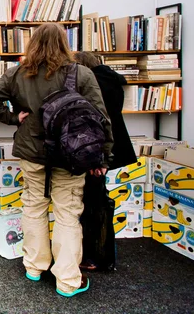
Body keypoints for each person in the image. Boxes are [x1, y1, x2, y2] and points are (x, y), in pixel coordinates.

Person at [0, 24, 113, 297]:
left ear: (33, 44)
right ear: (64, 43)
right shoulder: (81, 73)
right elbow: (100, 119)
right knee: (67, 213)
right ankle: (66, 280)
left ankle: (34, 265)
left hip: (32, 152)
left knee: (33, 206)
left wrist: (11, 118)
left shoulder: (19, 72)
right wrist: (103, 156)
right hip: (71, 155)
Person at [74, 51, 137, 271]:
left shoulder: (93, 85)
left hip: (98, 151)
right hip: (113, 146)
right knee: (99, 200)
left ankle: (94, 256)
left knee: (92, 203)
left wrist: (96, 159)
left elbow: (96, 123)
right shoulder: (113, 80)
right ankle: (103, 254)